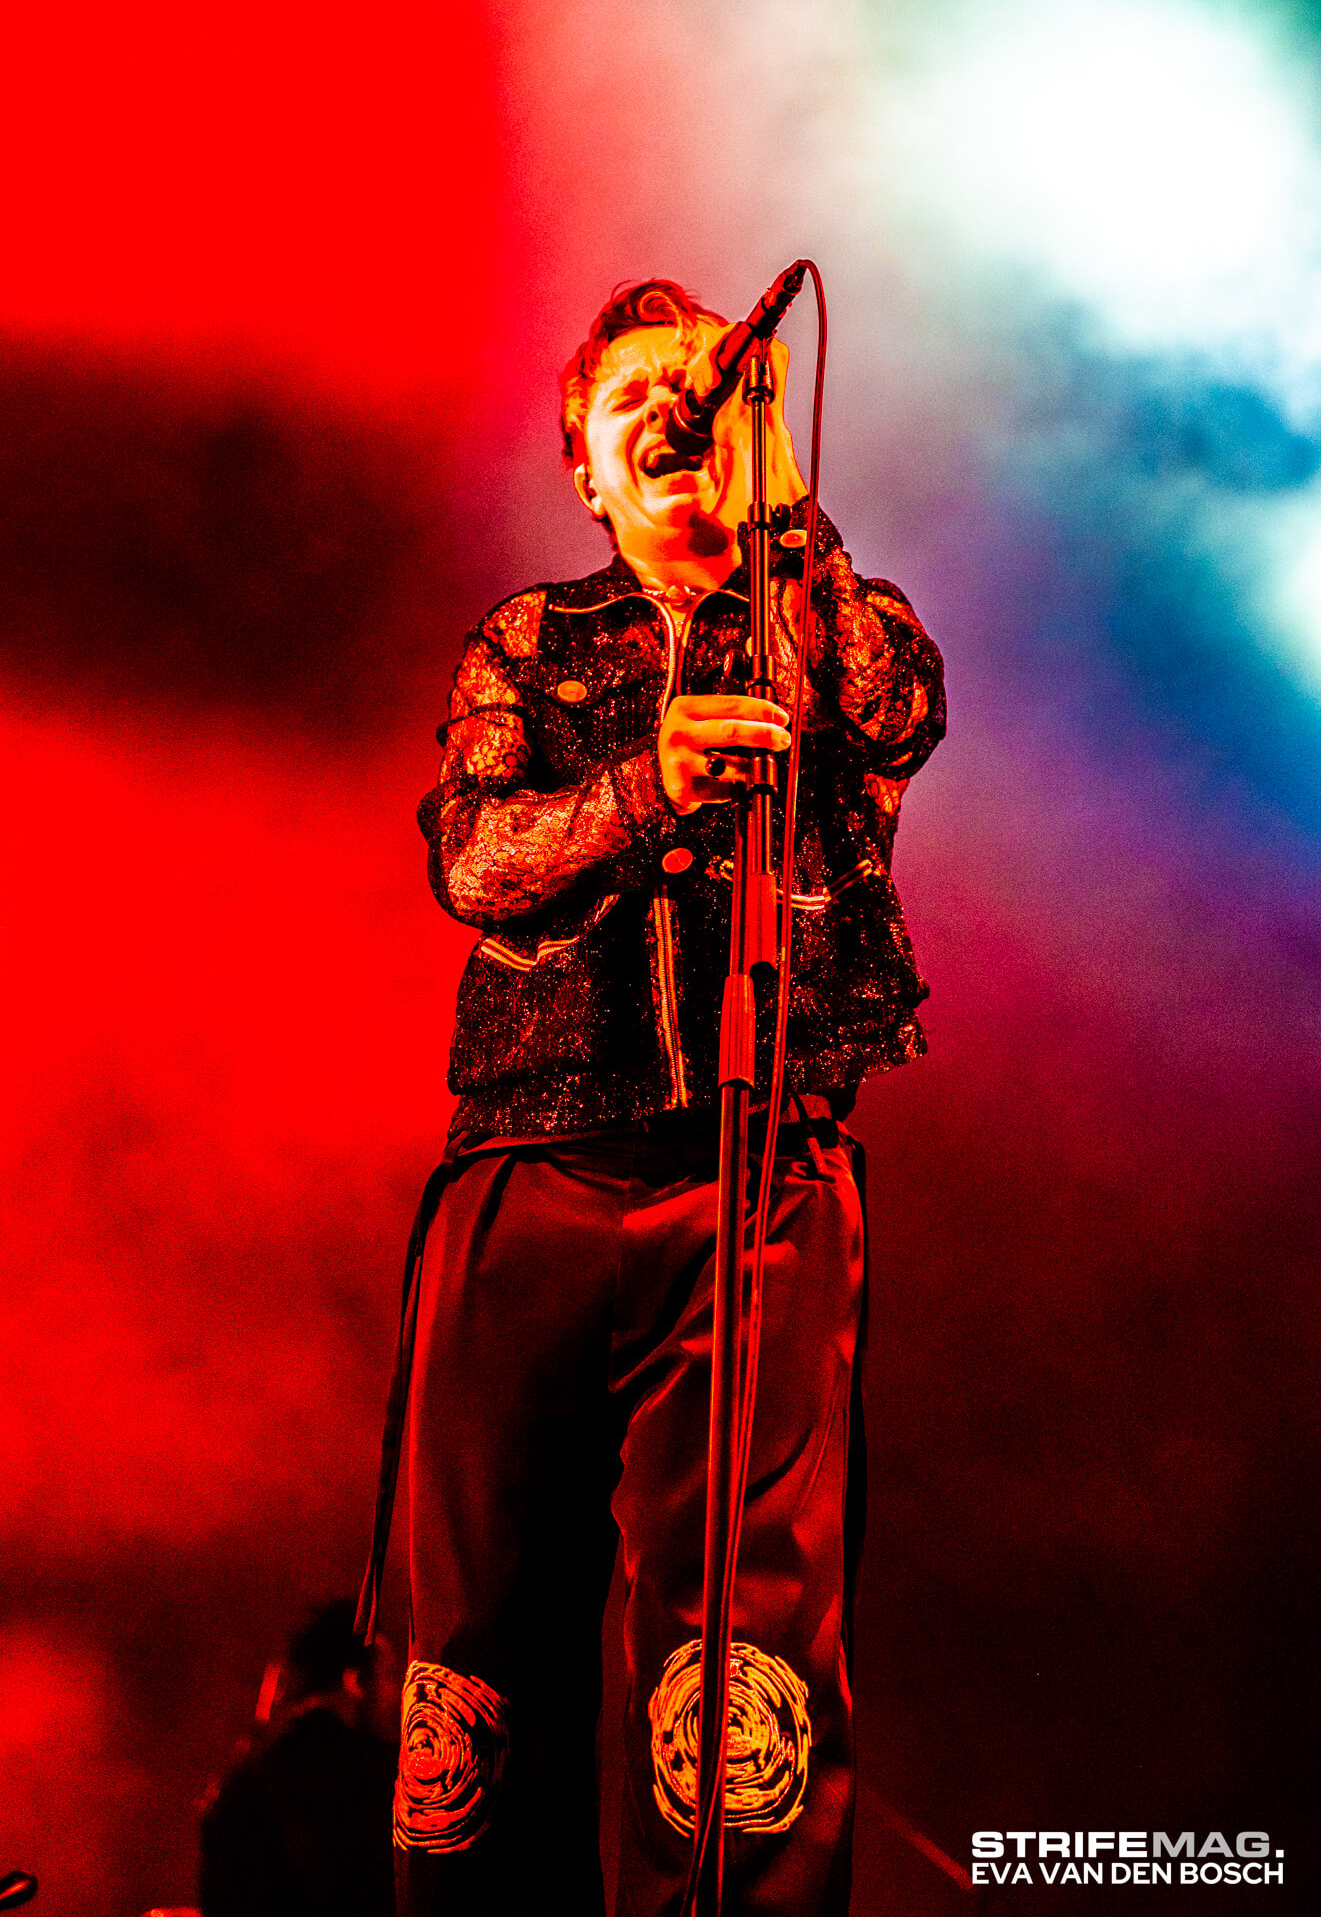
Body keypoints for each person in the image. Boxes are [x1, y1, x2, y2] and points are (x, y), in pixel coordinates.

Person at [381, 278, 945, 1916]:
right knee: (481, 1616)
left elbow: (899, 715)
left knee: (747, 1624)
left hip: (760, 1184)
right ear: (584, 466)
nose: (678, 406)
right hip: (532, 1165)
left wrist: (789, 516)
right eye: (635, 393)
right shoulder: (532, 641)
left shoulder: (840, 618)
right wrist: (651, 784)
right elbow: (476, 860)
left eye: (706, 380)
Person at [198, 1598, 398, 1917]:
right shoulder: (387, 1777)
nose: (394, 1693)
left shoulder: (241, 1781)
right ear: (356, 1680)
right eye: (387, 1676)